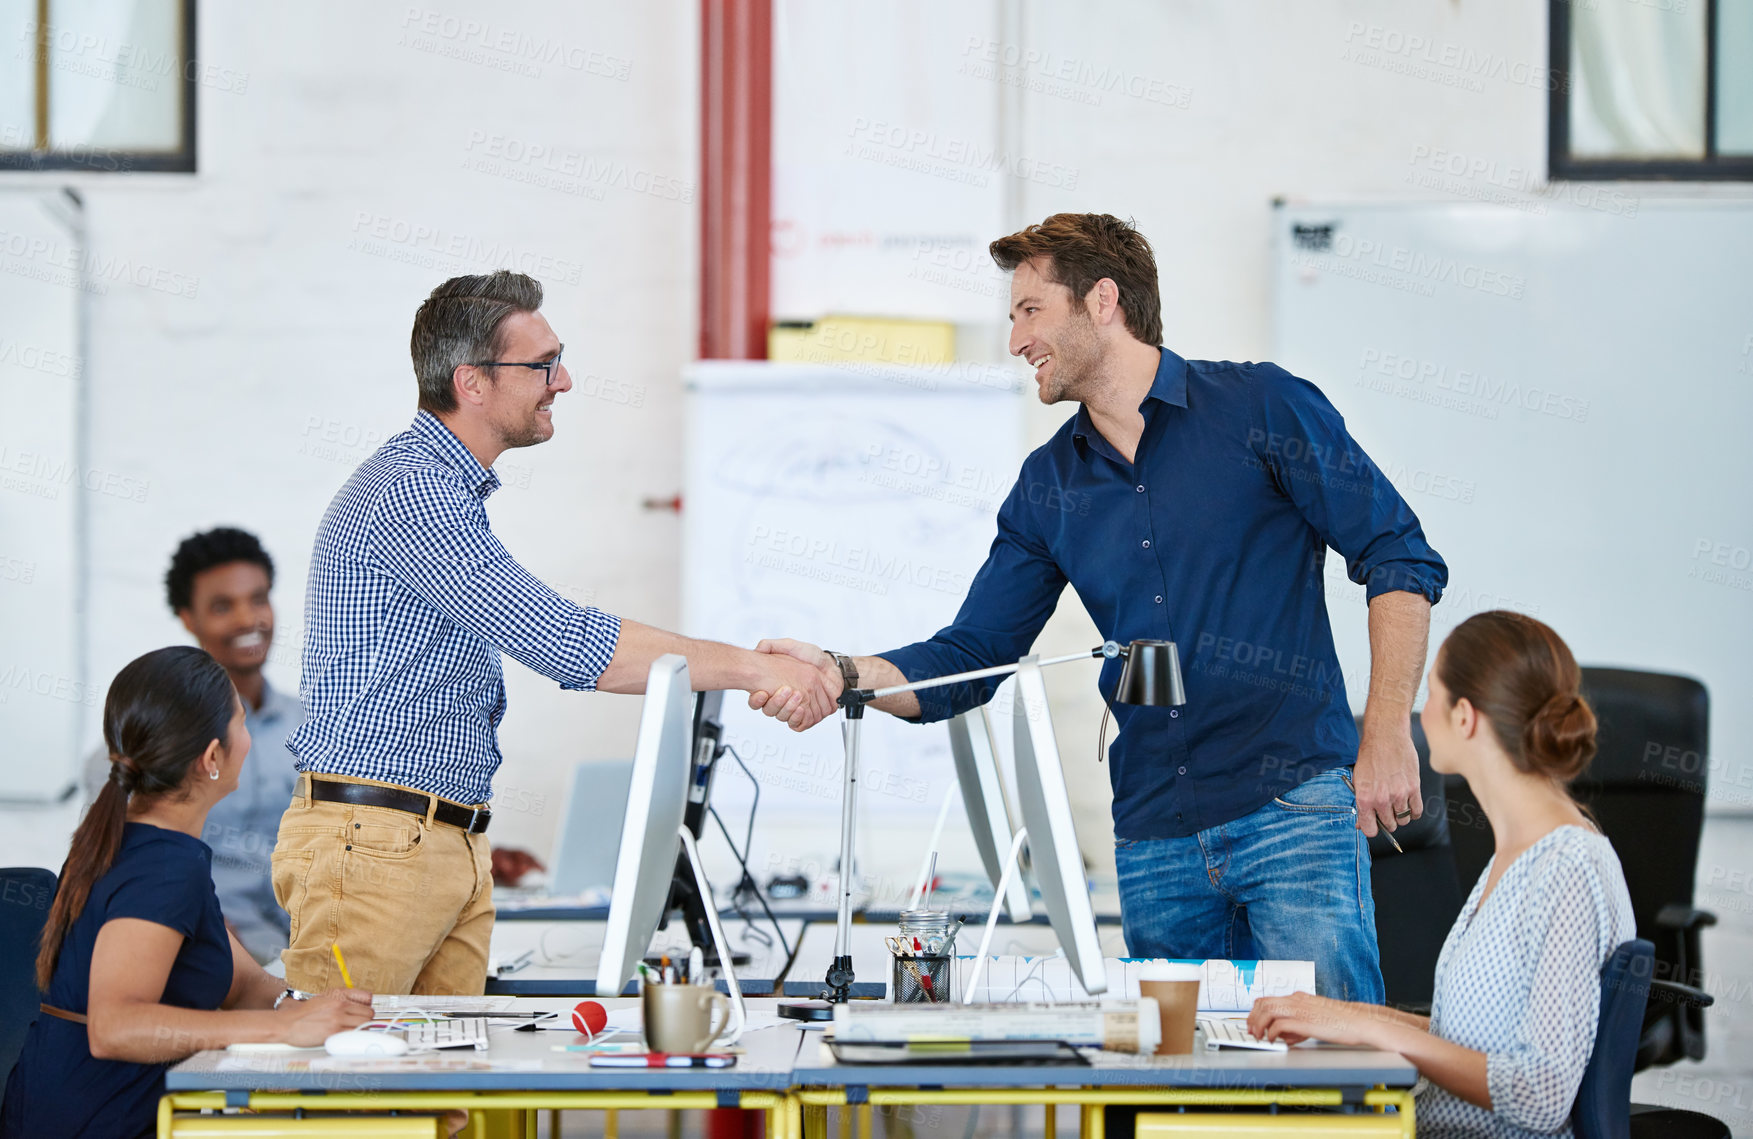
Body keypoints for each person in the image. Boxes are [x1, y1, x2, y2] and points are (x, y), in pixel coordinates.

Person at [754, 213, 1448, 1000]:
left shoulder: (1263, 407)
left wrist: (1388, 728)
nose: (1015, 341)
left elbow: (1397, 553)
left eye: (1028, 311)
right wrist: (843, 672)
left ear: (1102, 300)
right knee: (1179, 1105)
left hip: (1289, 811)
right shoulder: (1047, 487)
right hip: (1155, 838)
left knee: (1327, 1082)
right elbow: (971, 656)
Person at [280, 270, 836, 997]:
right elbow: (566, 643)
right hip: (379, 845)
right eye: (541, 364)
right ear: (471, 382)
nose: (563, 380)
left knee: (440, 1103)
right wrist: (756, 669)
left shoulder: (446, 490)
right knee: (348, 1102)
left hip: (438, 840)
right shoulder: (412, 492)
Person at [1249, 611, 1635, 1138]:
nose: (1420, 716)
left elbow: (1539, 1094)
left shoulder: (1566, 867)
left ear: (1464, 717)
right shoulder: (1517, 856)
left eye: (1429, 694)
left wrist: (1363, 1026)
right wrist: (1342, 1017)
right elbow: (1471, 1043)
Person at [1, 647, 371, 1139]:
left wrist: (316, 1006)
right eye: (241, 724)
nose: (251, 742)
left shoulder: (137, 844)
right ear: (212, 758)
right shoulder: (163, 866)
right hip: (98, 1123)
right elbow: (115, 1027)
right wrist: (285, 1030)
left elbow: (241, 985)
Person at [80, 527, 302, 964]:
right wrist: (196, 925)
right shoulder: (149, 746)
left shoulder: (315, 725)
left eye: (258, 598)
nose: (247, 619)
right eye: (223, 606)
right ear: (187, 618)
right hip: (200, 949)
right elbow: (119, 871)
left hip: (311, 944)